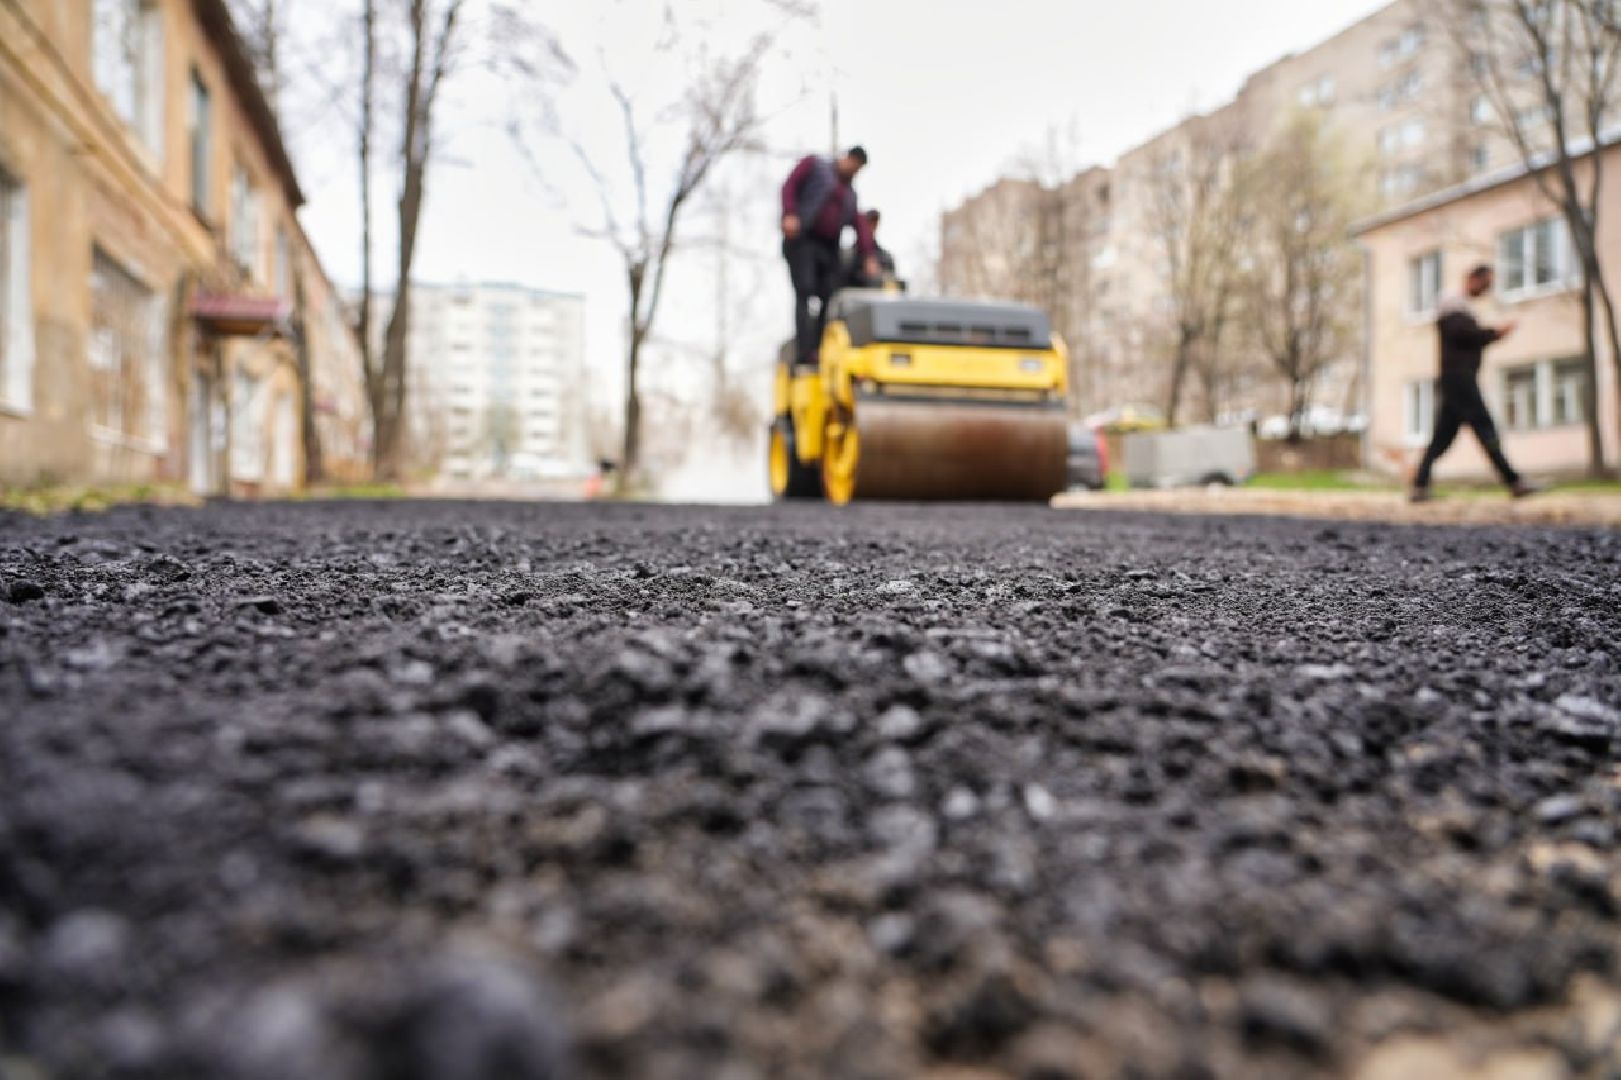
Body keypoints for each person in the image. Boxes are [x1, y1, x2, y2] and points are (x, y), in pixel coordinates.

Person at [1411, 263, 1539, 502]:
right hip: (1459, 378)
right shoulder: (1452, 305)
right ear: (1473, 279)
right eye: (1486, 284)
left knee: (1442, 438)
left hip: (1457, 379)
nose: (1487, 289)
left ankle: (1420, 485)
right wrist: (1494, 333)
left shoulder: (1462, 308)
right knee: (1484, 426)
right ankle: (1514, 481)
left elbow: (1469, 337)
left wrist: (1491, 335)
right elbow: (1464, 336)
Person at [781, 146, 879, 366]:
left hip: (828, 248)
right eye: (853, 165)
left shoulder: (850, 195)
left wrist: (868, 256)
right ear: (847, 158)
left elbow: (860, 227)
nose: (854, 171)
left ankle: (819, 347)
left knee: (830, 295)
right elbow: (789, 186)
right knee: (804, 291)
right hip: (803, 239)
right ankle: (805, 352)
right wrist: (789, 213)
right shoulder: (815, 165)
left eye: (858, 169)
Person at [842, 208, 899, 289]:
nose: (871, 227)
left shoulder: (886, 258)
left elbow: (891, 284)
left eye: (874, 223)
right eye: (868, 223)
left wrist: (878, 274)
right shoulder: (846, 257)